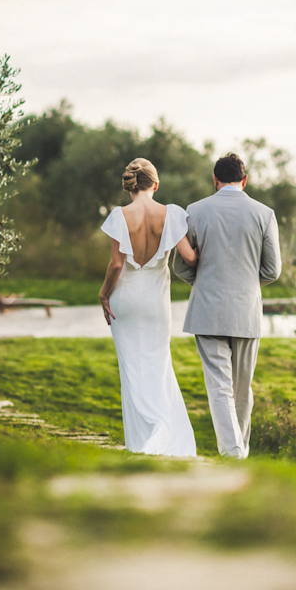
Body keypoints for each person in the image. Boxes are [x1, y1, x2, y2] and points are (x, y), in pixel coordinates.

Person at [173, 153, 282, 459]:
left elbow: (181, 266)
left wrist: (207, 283)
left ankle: (233, 453)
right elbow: (273, 270)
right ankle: (237, 452)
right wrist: (244, 286)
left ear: (215, 178)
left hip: (207, 310)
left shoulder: (195, 211)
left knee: (219, 387)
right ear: (244, 180)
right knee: (241, 389)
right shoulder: (264, 213)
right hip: (247, 312)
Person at [99, 158, 197, 457]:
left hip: (125, 299)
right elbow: (190, 257)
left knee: (131, 370)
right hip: (156, 301)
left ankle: (143, 441)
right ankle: (162, 431)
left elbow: (117, 264)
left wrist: (104, 294)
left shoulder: (119, 215)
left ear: (130, 187)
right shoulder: (172, 214)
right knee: (158, 365)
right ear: (155, 184)